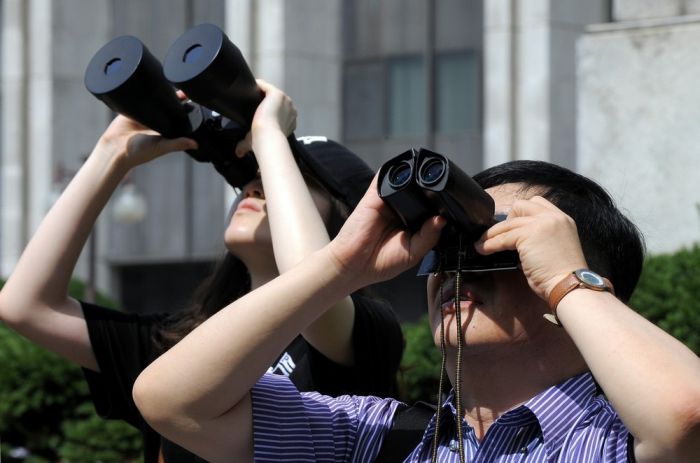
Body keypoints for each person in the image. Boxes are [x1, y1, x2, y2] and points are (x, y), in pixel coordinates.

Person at [133, 159, 700, 462]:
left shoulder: (615, 443)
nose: (456, 266)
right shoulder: (375, 438)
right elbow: (174, 402)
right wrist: (340, 268)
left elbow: (686, 418)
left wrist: (566, 282)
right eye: (446, 245)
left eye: (497, 245)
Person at [0, 81, 404, 462]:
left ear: (345, 221)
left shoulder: (361, 330)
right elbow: (26, 305)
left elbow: (317, 286)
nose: (254, 188)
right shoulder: (182, 342)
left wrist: (269, 136)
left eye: (286, 179)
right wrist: (111, 153)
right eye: (247, 179)